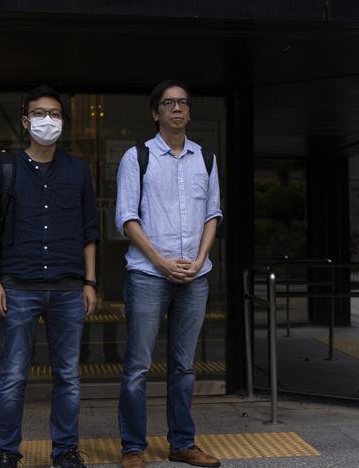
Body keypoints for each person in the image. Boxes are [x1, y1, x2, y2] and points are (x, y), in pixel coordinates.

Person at [0, 85, 99, 468]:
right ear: (26, 122)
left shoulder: (78, 170)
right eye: (41, 114)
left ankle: (65, 451)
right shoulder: (5, 168)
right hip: (18, 286)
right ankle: (7, 453)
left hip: (67, 287)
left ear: (64, 121)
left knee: (68, 376)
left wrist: (90, 282)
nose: (49, 120)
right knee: (13, 375)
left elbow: (89, 229)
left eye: (56, 114)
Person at [115, 80, 222, 468]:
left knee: (185, 365)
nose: (176, 108)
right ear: (155, 112)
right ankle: (132, 447)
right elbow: (127, 218)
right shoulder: (137, 157)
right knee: (138, 366)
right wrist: (161, 261)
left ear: (189, 112)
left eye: (183, 103)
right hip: (147, 274)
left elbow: (213, 215)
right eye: (168, 103)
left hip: (195, 276)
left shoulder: (206, 159)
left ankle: (182, 443)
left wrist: (199, 259)